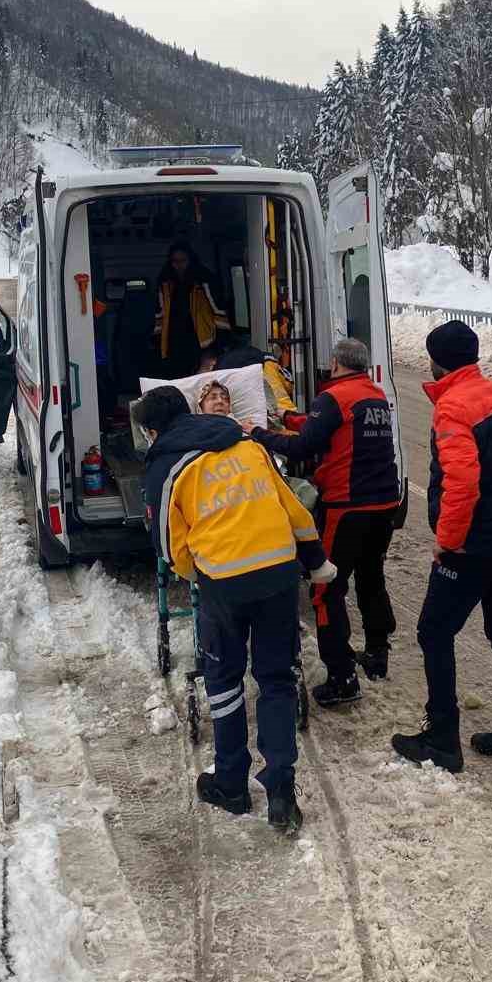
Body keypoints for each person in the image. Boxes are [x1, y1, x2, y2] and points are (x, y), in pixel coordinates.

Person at [135, 385, 335, 834]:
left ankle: (231, 783)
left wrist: (200, 571)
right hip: (280, 573)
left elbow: (170, 547)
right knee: (277, 679)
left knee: (224, 681)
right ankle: (282, 793)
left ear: (152, 431)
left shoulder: (166, 467)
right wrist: (315, 559)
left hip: (223, 582)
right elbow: (294, 510)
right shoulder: (247, 445)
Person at [392, 321, 492, 774]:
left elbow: (462, 482)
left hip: (471, 546)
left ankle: (442, 738)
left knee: (434, 632)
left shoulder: (454, 408)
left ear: (436, 362)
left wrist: (448, 543)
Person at [249, 336, 400, 705]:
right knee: (371, 577)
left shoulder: (333, 397)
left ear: (335, 364)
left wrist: (258, 435)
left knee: (327, 587)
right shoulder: (374, 395)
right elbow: (325, 427)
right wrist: (287, 418)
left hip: (347, 506)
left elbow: (304, 446)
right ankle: (377, 654)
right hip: (384, 503)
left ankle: (342, 677)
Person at [154, 243, 230, 380]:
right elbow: (160, 312)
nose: (179, 265)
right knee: (177, 376)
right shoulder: (165, 282)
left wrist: (222, 341)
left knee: (198, 376)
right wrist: (158, 339)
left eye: (183, 261)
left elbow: (218, 308)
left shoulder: (203, 279)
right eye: (175, 261)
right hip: (174, 339)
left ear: (191, 260)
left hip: (200, 339)